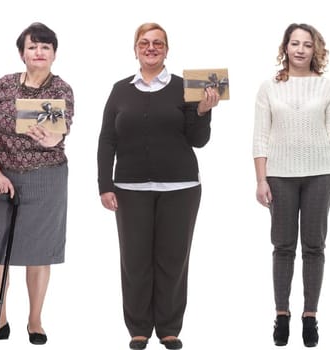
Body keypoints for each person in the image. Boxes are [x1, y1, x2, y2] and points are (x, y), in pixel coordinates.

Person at [97, 22, 220, 350]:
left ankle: (168, 328)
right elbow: (107, 139)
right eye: (144, 43)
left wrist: (204, 111)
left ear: (167, 49)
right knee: (135, 260)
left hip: (180, 187)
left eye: (158, 43)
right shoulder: (120, 89)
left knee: (173, 260)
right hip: (129, 189)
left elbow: (199, 140)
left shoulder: (186, 87)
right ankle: (138, 328)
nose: (151, 48)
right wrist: (104, 184)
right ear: (135, 49)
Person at [254, 23, 330, 348]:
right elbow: (260, 137)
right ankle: (281, 316)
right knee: (282, 246)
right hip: (279, 175)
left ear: (315, 50)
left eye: (307, 44)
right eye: (295, 43)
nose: (300, 49)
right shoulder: (269, 88)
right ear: (285, 47)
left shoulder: (328, 88)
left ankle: (309, 317)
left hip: (319, 174)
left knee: (314, 247)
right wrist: (261, 179)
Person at [0, 22, 73, 346]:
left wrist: (50, 138)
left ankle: (35, 321)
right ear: (22, 53)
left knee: (39, 253)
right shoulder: (4, 86)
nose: (38, 52)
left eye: (45, 47)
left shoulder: (61, 89)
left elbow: (62, 129)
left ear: (54, 53)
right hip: (1, 177)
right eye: (32, 47)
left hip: (46, 178)